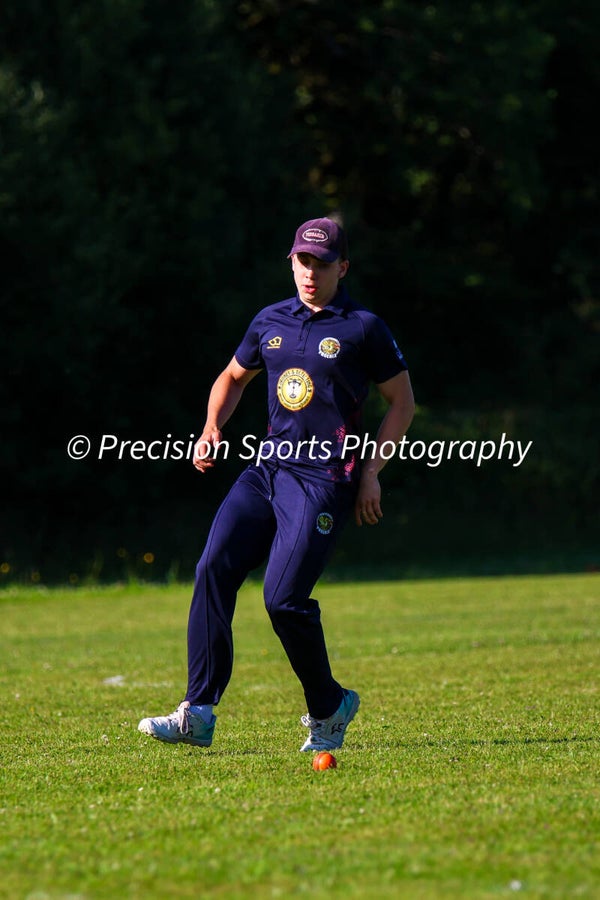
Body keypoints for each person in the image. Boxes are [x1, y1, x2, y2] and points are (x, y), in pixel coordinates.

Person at [138, 217, 415, 752]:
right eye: (303, 262)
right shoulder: (269, 320)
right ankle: (198, 711)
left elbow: (402, 403)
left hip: (324, 479)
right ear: (291, 262)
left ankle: (329, 707)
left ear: (343, 268)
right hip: (269, 469)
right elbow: (231, 377)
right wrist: (212, 426)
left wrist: (372, 474)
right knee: (213, 567)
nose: (312, 273)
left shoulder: (363, 327)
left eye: (324, 264)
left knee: (284, 599)